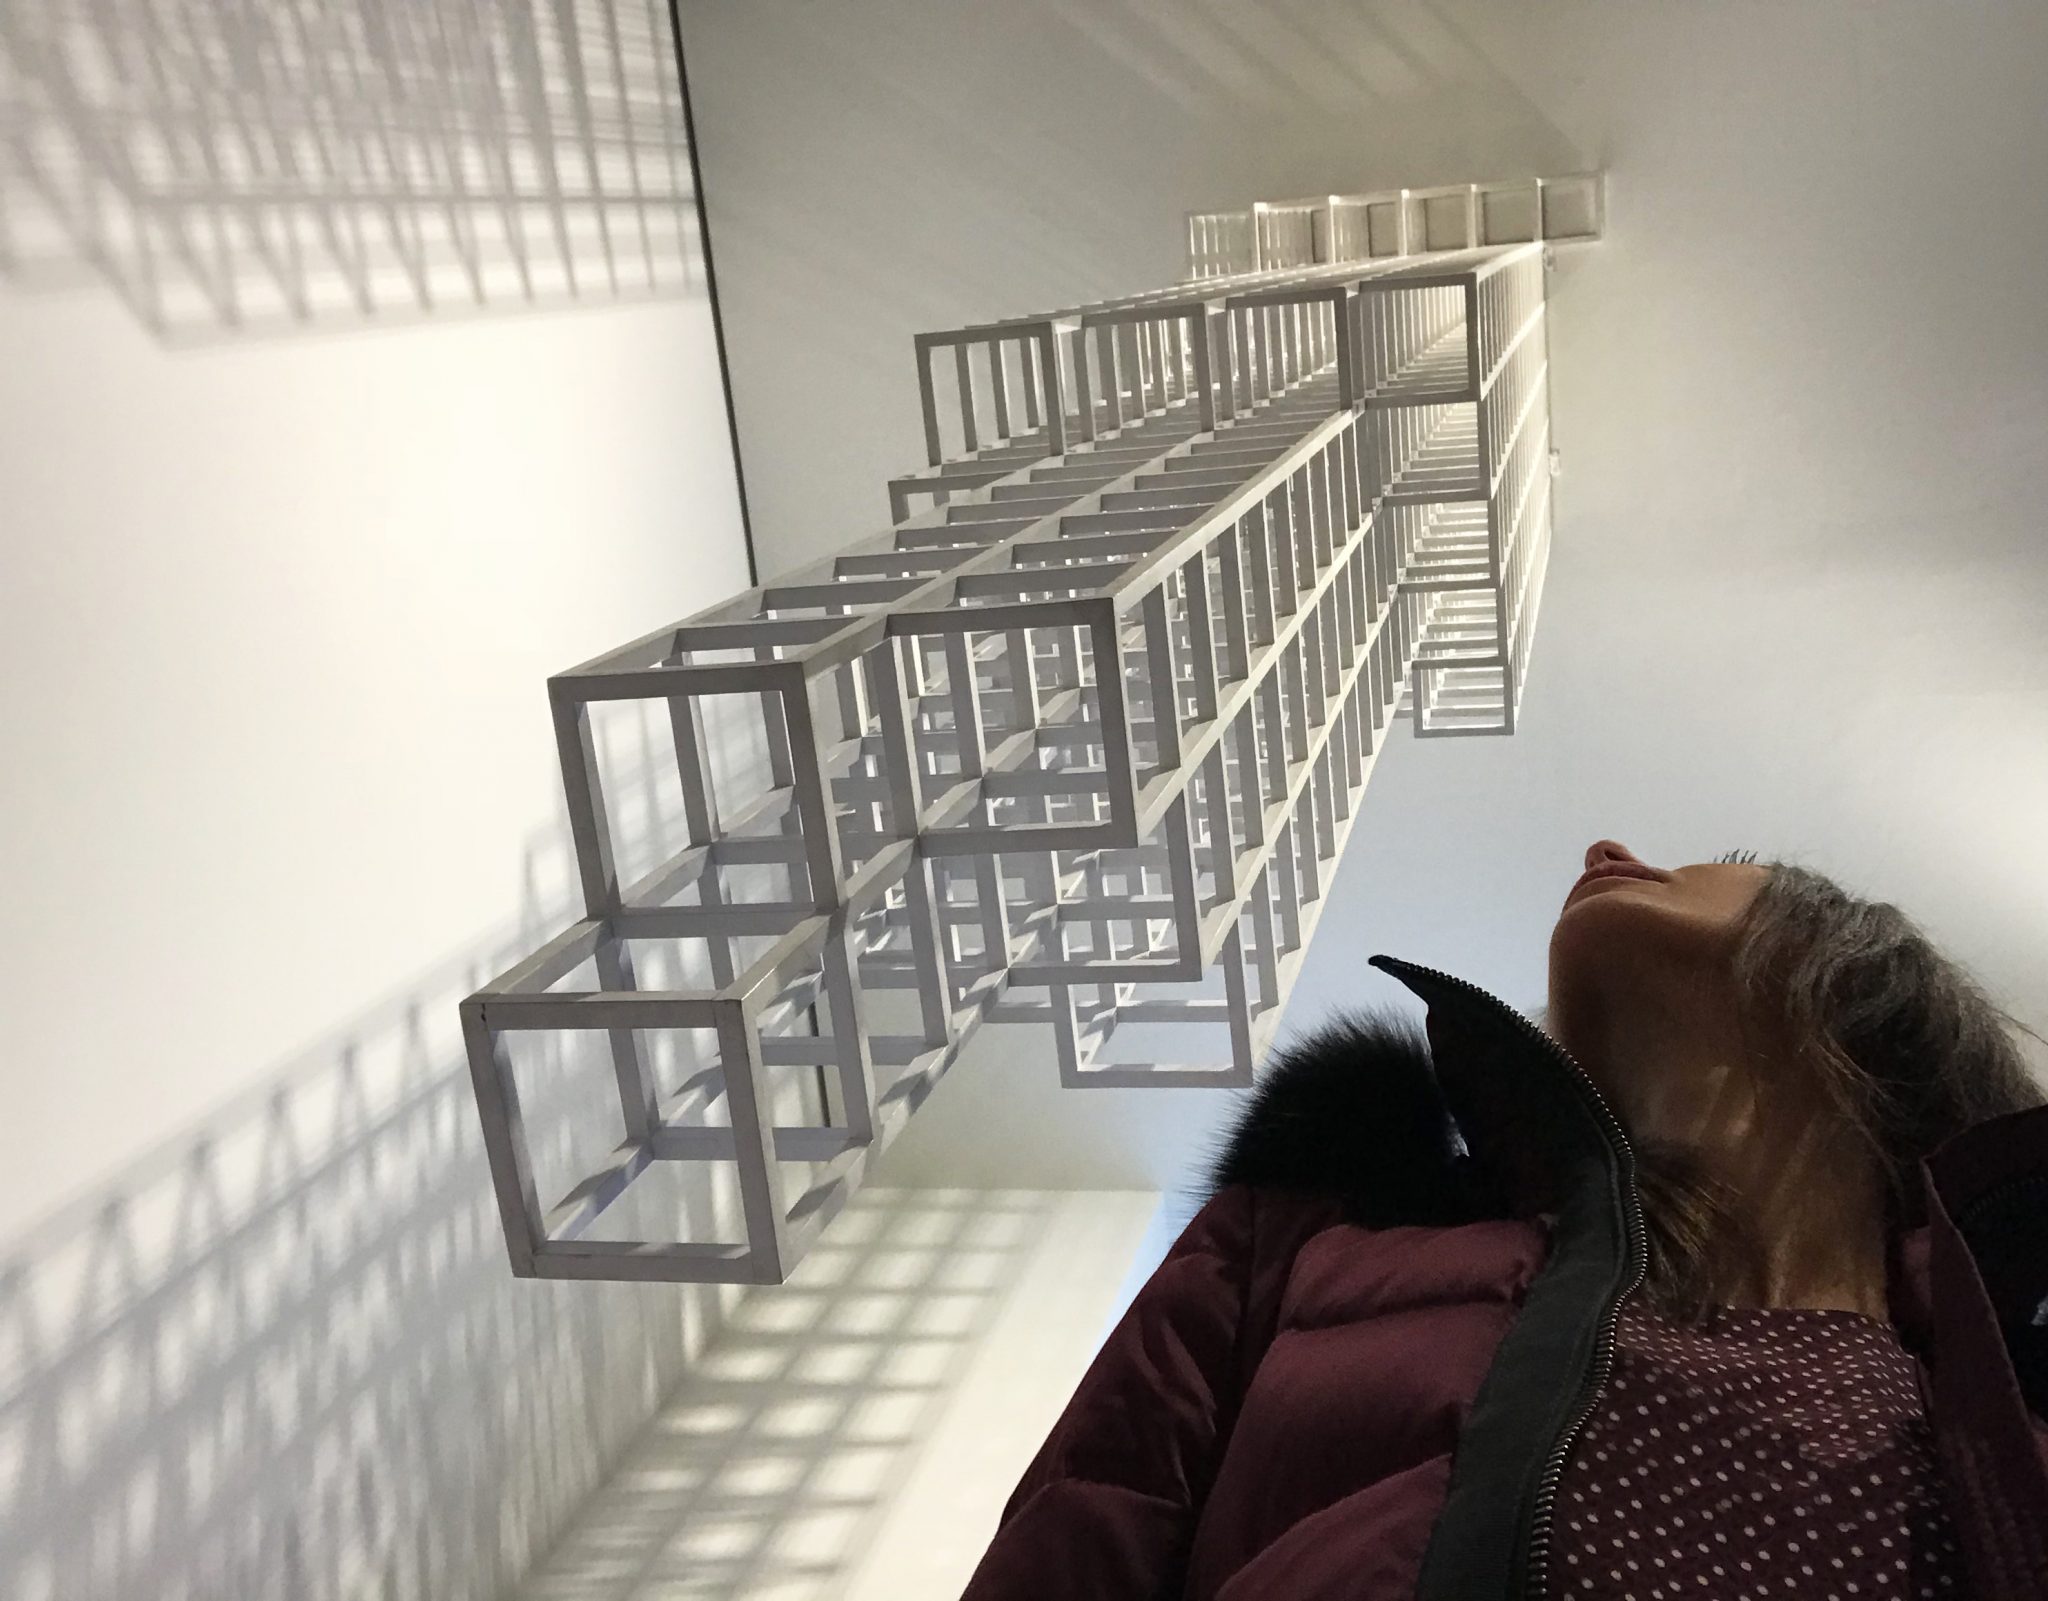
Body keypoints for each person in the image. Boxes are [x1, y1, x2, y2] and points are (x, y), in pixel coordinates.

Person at [962, 841, 2048, 1601]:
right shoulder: (1306, 1242)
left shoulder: (2008, 1373)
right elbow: (1080, 1535)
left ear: (1853, 982)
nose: (1608, 847)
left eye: (1725, 859)